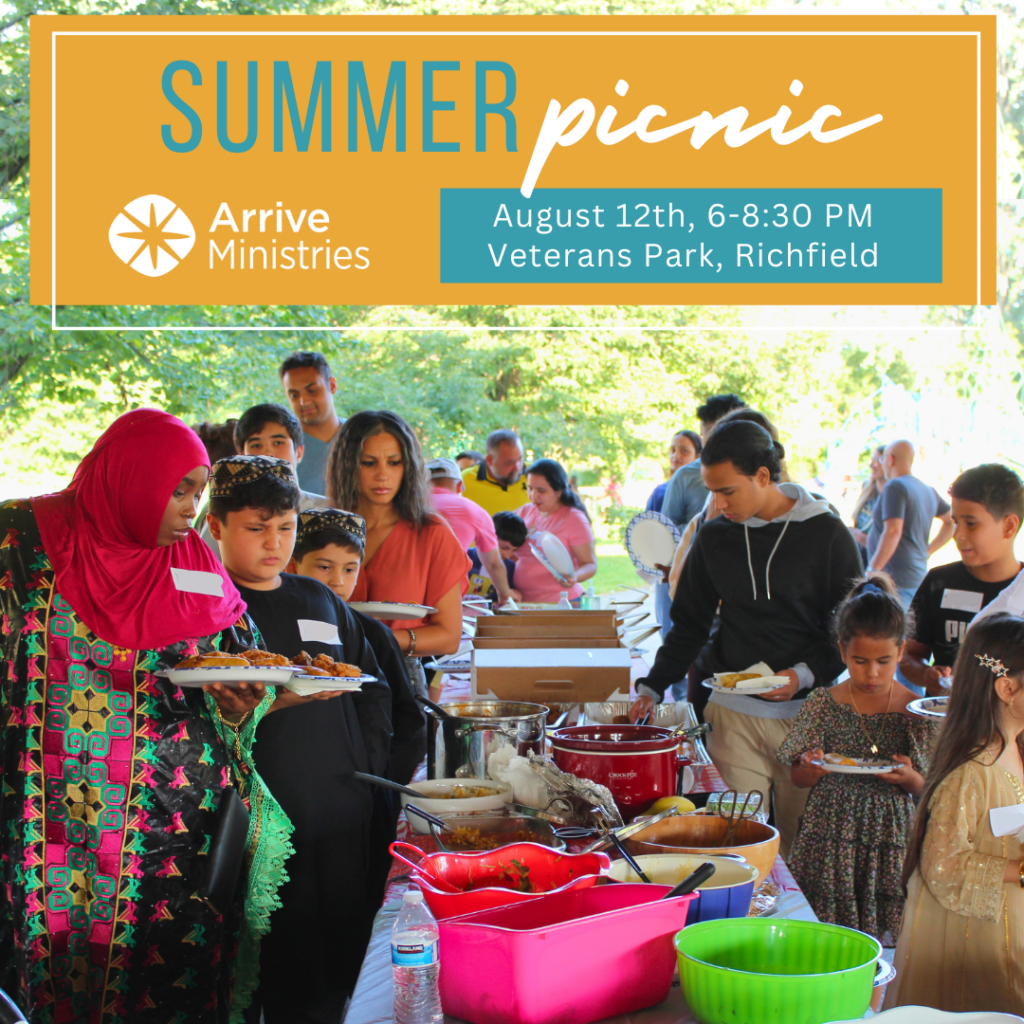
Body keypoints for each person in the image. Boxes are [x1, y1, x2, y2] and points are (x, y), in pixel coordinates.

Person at [0, 410, 292, 1024]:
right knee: (54, 973)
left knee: (168, 983)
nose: (190, 509)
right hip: (48, 820)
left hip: (171, 832)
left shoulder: (195, 563)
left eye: (198, 492)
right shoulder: (21, 539)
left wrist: (242, 703)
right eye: (177, 490)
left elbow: (246, 662)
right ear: (130, 477)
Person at [205, 456, 393, 1022]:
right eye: (256, 528)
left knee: (342, 963)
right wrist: (266, 704)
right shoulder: (208, 603)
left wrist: (368, 778)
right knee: (274, 968)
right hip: (262, 824)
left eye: (285, 527)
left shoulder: (319, 598)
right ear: (216, 526)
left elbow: (372, 687)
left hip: (342, 807)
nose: (274, 543)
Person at [630, 421, 863, 858]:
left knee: (802, 847)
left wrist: (802, 675)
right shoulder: (714, 536)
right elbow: (690, 624)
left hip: (808, 718)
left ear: (762, 476)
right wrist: (651, 687)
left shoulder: (827, 533)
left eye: (727, 492)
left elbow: (849, 630)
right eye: (711, 492)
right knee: (737, 843)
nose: (718, 504)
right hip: (732, 717)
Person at [777, 577, 936, 944]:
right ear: (842, 651)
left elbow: (927, 788)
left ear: (902, 651)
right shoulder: (823, 703)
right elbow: (797, 777)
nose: (872, 673)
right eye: (860, 661)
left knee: (882, 935)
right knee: (825, 935)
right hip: (830, 830)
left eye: (884, 661)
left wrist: (908, 778)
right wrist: (810, 768)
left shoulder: (916, 711)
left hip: (889, 835)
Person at [883, 612, 1024, 1013]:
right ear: (1007, 688)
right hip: (980, 934)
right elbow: (942, 866)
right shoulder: (971, 772)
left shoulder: (1015, 749)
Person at [326, 411, 470, 701]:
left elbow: (448, 636)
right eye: (369, 463)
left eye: (394, 462)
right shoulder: (323, 529)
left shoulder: (432, 534)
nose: (383, 475)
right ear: (347, 465)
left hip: (399, 678)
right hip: (326, 675)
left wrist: (381, 639)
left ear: (410, 467)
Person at [289, 506, 425, 786]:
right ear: (293, 565)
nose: (338, 581)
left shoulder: (374, 634)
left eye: (349, 569)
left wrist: (374, 776)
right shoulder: (270, 623)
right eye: (324, 567)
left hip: (355, 780)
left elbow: (406, 722)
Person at [902, 464, 1024, 696]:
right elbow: (909, 655)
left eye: (971, 523)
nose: (958, 534)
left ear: (1008, 526)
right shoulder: (939, 582)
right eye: (955, 521)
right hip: (946, 716)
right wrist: (926, 674)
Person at [198, 403, 329, 555]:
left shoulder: (327, 511)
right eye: (256, 445)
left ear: (299, 452)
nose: (268, 453)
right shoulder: (227, 513)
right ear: (242, 455)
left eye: (278, 442)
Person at [866, 440, 954, 607]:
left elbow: (893, 531)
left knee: (894, 623)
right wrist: (927, 551)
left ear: (890, 459)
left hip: (894, 581)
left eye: (883, 459)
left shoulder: (895, 486)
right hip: (917, 576)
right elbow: (951, 521)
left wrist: (873, 570)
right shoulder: (928, 490)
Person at [427, 457, 513, 603]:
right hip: (447, 593)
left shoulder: (401, 507)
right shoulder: (475, 511)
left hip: (402, 591)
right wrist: (505, 594)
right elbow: (493, 564)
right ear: (459, 486)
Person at [514, 459, 597, 604]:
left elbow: (590, 565)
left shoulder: (574, 518)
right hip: (524, 604)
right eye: (529, 488)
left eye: (541, 490)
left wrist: (573, 578)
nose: (533, 495)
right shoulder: (525, 512)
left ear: (559, 491)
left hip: (563, 603)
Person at [661, 393, 746, 528]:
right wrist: (701, 527)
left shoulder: (756, 473)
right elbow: (666, 531)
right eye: (706, 437)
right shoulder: (685, 476)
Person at [279, 351, 344, 494]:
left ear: (332, 385)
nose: (304, 401)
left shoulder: (362, 435)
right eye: (294, 395)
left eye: (312, 390)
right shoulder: (283, 447)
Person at [461, 428, 529, 515]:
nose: (517, 468)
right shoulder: (464, 482)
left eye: (520, 459)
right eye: (509, 463)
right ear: (490, 460)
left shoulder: (535, 474)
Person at [467, 511, 526, 603]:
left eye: (514, 550)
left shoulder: (509, 566)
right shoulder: (466, 555)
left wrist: (514, 595)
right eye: (504, 548)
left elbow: (506, 595)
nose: (508, 555)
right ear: (489, 537)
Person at [646, 429, 702, 514]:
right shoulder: (660, 492)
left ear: (698, 457)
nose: (676, 456)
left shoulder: (705, 492)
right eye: (673, 450)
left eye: (684, 451)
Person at [850, 445, 886, 556]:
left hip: (876, 559)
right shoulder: (867, 487)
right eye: (872, 460)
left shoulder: (893, 495)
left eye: (877, 461)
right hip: (860, 555)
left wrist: (860, 537)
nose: (871, 465)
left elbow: (888, 542)